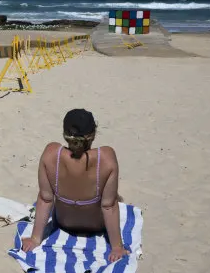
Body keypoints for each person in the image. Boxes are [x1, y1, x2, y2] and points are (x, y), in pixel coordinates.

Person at [21, 109, 129, 262]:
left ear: (65, 133)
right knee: (114, 198)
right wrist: (117, 247)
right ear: (93, 134)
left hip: (64, 223)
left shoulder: (51, 153)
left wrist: (35, 239)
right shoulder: (106, 158)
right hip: (95, 226)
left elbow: (45, 200)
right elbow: (108, 207)